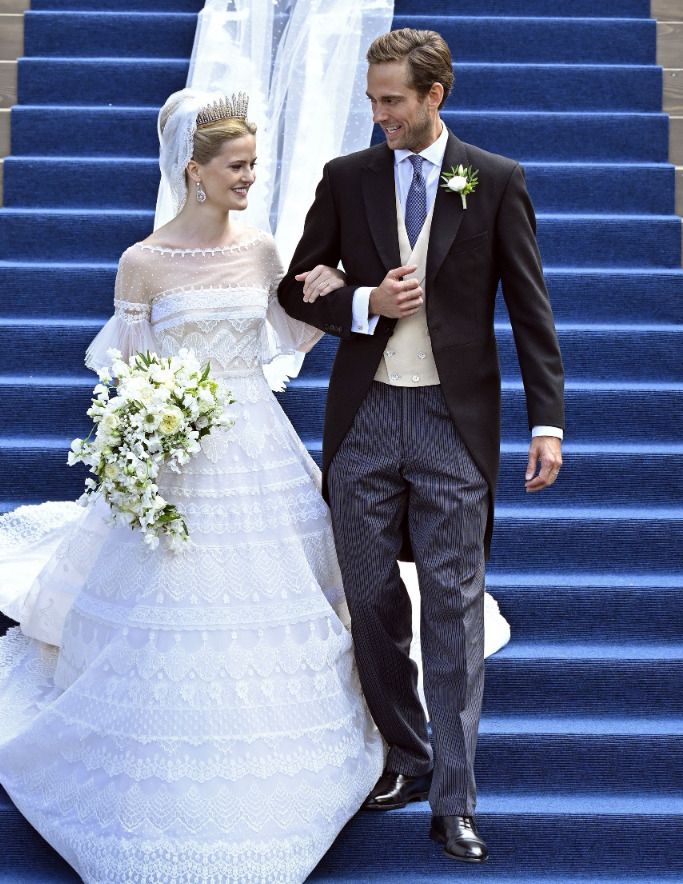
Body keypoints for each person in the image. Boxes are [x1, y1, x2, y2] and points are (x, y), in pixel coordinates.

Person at [0, 88, 384, 884]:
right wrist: (152, 420)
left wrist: (335, 293)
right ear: (194, 170)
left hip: (256, 442)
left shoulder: (262, 249)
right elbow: (129, 369)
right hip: (177, 450)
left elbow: (286, 334)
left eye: (253, 165)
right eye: (236, 166)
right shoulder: (141, 262)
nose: (249, 178)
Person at [278, 28, 565, 864]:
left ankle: (455, 799)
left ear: (434, 95)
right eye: (373, 99)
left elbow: (529, 306)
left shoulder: (494, 179)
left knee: (452, 608)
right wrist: (362, 300)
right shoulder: (347, 178)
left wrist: (546, 420)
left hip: (452, 423)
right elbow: (296, 285)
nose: (379, 115)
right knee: (369, 600)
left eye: (392, 100)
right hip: (363, 419)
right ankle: (405, 756)